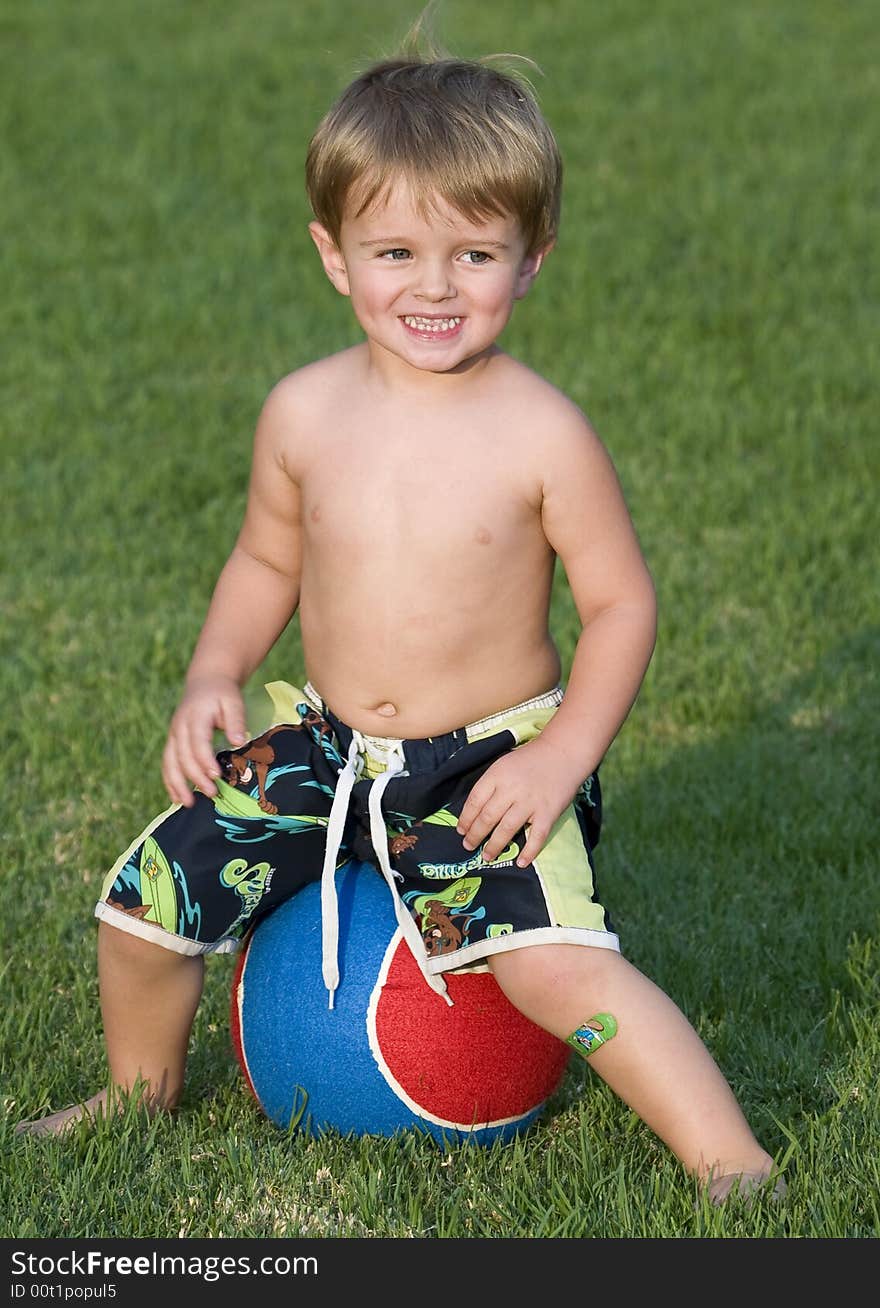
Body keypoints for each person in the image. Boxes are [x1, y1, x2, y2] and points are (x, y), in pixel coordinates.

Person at [17, 37, 783, 1205]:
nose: (433, 286)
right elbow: (267, 558)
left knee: (554, 973)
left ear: (531, 261)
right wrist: (212, 671)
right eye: (395, 252)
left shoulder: (540, 433)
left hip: (483, 763)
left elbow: (623, 604)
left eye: (473, 253)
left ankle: (732, 1162)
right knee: (146, 909)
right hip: (328, 748)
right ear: (334, 256)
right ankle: (141, 1088)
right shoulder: (303, 413)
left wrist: (559, 757)